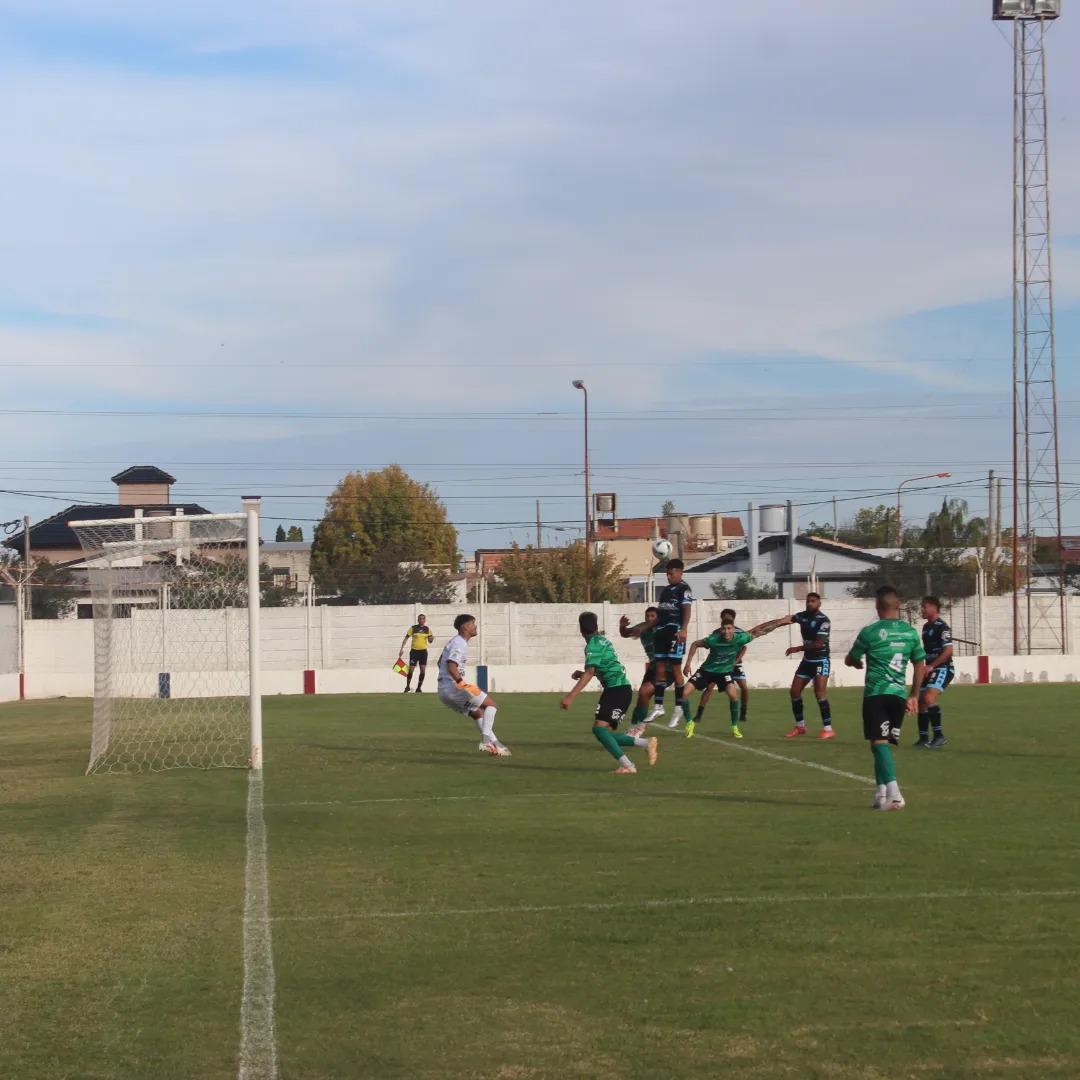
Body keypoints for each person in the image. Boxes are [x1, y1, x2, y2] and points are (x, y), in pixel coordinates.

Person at [844, 585, 926, 811]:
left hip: (876, 694)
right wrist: (914, 695)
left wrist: (856, 662)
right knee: (878, 743)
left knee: (880, 743)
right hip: (899, 695)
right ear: (898, 606)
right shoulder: (910, 632)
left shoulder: (870, 632)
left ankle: (895, 794)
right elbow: (920, 663)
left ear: (877, 606)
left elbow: (851, 659)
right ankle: (880, 793)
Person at [561, 612, 658, 775]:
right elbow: (599, 667)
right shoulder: (602, 641)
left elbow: (591, 671)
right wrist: (582, 673)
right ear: (596, 626)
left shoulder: (593, 645)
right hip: (616, 690)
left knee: (599, 730)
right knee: (603, 733)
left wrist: (570, 696)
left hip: (617, 690)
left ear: (580, 629)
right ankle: (644, 744)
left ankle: (629, 764)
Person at [681, 615, 774, 739]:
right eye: (724, 629)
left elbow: (759, 632)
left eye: (729, 628)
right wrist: (687, 664)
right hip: (706, 671)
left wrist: (779, 623)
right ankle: (689, 722)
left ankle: (735, 727)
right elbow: (694, 644)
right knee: (683, 694)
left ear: (733, 629)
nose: (726, 631)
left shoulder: (741, 638)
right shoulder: (713, 639)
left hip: (725, 673)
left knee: (733, 696)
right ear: (721, 630)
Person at [759, 592, 835, 739]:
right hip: (807, 661)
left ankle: (828, 728)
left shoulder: (824, 621)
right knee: (794, 691)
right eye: (808, 601)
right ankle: (800, 726)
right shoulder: (802, 616)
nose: (809, 603)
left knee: (819, 692)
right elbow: (788, 619)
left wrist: (797, 648)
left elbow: (819, 644)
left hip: (821, 660)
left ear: (819, 604)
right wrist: (774, 624)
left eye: (813, 601)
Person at [436, 613, 510, 756]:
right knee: (491, 705)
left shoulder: (454, 642)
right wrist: (461, 684)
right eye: (473, 623)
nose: (475, 626)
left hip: (443, 691)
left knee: (477, 713)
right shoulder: (459, 643)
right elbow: (451, 666)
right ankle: (486, 741)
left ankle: (497, 746)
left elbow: (441, 662)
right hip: (456, 687)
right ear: (465, 627)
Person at [645, 558, 694, 729]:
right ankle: (658, 706)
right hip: (661, 632)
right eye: (667, 573)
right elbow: (660, 613)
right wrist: (648, 627)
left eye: (671, 573)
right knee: (659, 669)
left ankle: (678, 708)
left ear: (680, 572)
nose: (669, 576)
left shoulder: (684, 589)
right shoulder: (665, 590)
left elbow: (687, 610)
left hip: (675, 631)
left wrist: (684, 629)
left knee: (675, 669)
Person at [916, 595, 954, 749]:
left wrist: (932, 666)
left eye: (924, 607)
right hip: (929, 668)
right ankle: (923, 738)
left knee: (929, 697)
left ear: (933, 607)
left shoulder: (942, 627)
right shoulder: (926, 627)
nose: (922, 610)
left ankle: (939, 736)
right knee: (921, 702)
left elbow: (948, 651)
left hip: (943, 668)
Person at [619, 606, 659, 736]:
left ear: (658, 618)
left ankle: (639, 726)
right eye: (647, 616)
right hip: (653, 668)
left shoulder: (662, 628)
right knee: (642, 697)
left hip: (666, 668)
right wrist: (622, 627)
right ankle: (635, 726)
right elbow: (625, 634)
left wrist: (640, 629)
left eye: (652, 616)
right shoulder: (643, 626)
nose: (649, 618)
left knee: (644, 692)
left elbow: (640, 629)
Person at [720, 608, 751, 727]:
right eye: (724, 617)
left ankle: (743, 711)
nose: (727, 618)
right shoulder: (718, 632)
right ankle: (700, 712)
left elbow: (744, 648)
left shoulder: (739, 632)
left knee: (744, 687)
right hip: (722, 666)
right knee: (711, 687)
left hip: (736, 665)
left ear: (733, 619)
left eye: (729, 617)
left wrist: (736, 661)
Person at [398, 613, 435, 693]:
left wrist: (431, 639)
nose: (421, 620)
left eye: (423, 619)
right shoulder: (413, 628)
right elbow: (406, 638)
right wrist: (401, 649)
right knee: (411, 670)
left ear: (425, 620)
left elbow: (430, 641)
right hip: (414, 652)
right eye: (420, 619)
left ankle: (419, 688)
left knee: (423, 671)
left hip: (423, 652)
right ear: (418, 620)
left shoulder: (427, 629)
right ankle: (407, 686)